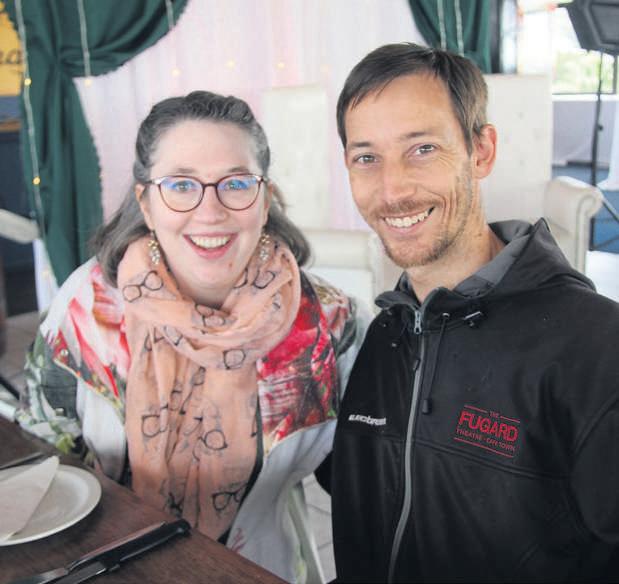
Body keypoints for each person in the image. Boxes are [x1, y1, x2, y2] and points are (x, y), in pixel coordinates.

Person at [18, 90, 368, 583]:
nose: (210, 212)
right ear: (146, 202)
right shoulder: (87, 309)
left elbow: (365, 486)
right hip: (100, 569)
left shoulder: (329, 323)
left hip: (254, 569)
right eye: (181, 185)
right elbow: (40, 454)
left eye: (236, 183)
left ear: (264, 200)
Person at [329, 42, 619, 582]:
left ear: (481, 152)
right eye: (366, 158)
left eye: (422, 149)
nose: (392, 189)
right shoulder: (386, 335)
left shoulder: (598, 347)